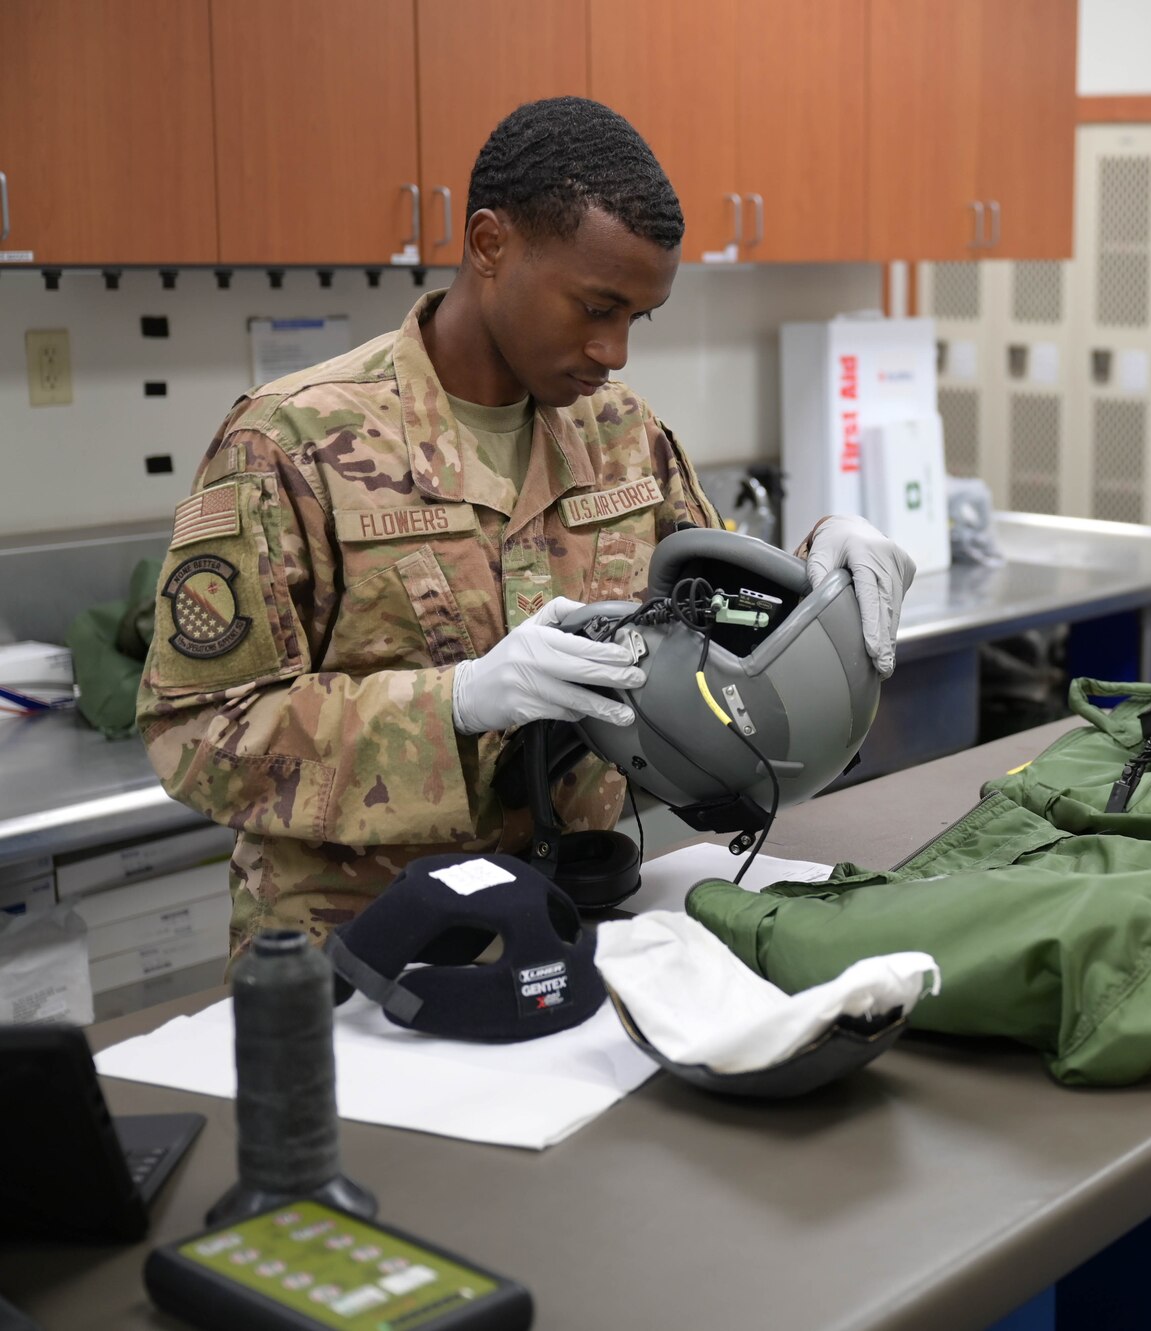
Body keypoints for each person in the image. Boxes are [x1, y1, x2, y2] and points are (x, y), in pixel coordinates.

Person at [136, 97, 914, 953]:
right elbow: (198, 733)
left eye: (636, 319)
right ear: (489, 245)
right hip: (365, 962)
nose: (616, 351)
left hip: (577, 936)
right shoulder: (295, 443)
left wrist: (822, 571)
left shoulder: (623, 437)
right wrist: (458, 704)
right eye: (596, 307)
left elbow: (713, 636)